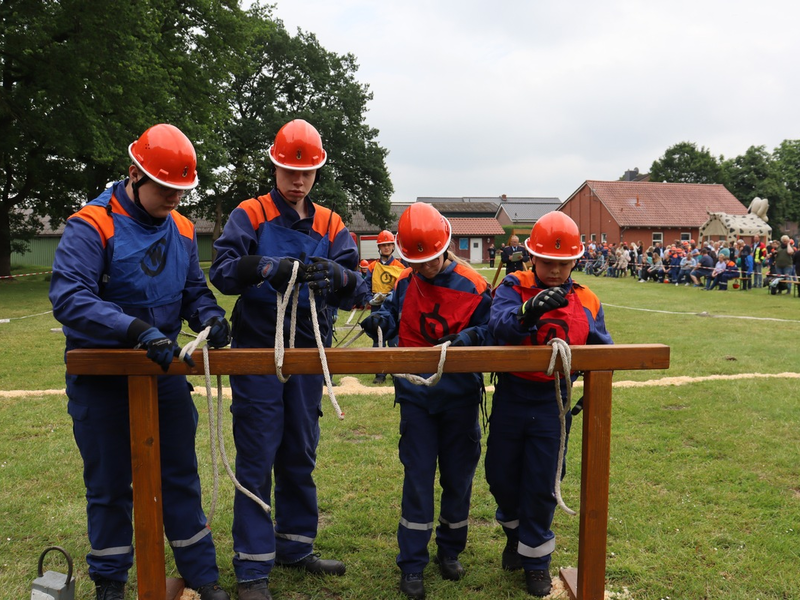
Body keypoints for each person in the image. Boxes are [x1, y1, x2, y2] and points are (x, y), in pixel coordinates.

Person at [49, 124, 231, 600]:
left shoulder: (185, 229)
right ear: (134, 175)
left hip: (162, 372)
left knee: (179, 476)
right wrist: (134, 330)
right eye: (165, 189)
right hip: (101, 376)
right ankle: (110, 583)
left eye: (181, 191)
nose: (174, 199)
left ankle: (202, 577)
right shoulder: (92, 225)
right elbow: (70, 297)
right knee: (109, 485)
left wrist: (211, 314)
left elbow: (193, 289)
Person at [209, 119, 369, 600]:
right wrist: (263, 267)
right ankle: (253, 568)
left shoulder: (331, 223)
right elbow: (222, 272)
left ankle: (295, 546)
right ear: (275, 166)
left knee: (300, 449)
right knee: (257, 453)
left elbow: (359, 287)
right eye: (289, 171)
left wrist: (337, 279)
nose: (297, 181)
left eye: (307, 173)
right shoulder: (249, 214)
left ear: (317, 173)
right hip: (258, 348)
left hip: (308, 348)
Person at [360, 203, 491, 599]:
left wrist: (472, 339)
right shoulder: (404, 282)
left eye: (431, 258)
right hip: (417, 397)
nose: (426, 267)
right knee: (417, 480)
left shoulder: (475, 286)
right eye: (417, 261)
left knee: (457, 478)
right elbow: (396, 318)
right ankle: (412, 563)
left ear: (445, 246)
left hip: (459, 398)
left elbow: (494, 329)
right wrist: (380, 324)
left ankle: (450, 551)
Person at [485, 211, 612, 597]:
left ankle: (537, 560)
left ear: (574, 261)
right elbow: (497, 326)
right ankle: (514, 532)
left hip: (553, 402)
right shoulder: (513, 285)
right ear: (532, 258)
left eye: (563, 263)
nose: (555, 270)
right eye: (547, 262)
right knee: (500, 475)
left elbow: (602, 349)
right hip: (512, 395)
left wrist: (594, 381)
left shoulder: (588, 299)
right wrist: (530, 310)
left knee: (542, 482)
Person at [367, 230, 406, 383]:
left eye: (389, 245)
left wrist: (392, 297)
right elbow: (366, 285)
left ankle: (396, 372)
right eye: (383, 245)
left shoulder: (400, 266)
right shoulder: (372, 267)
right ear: (379, 247)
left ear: (393, 247)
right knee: (378, 340)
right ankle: (380, 374)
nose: (387, 248)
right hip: (377, 308)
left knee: (394, 340)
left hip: (393, 309)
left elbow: (403, 287)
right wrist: (370, 299)